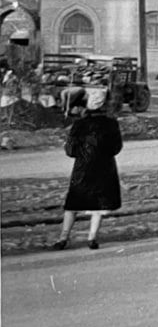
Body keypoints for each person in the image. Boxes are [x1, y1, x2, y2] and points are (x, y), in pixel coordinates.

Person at [49, 89, 123, 250]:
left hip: (82, 168)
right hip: (105, 168)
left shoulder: (79, 124)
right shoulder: (112, 124)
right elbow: (116, 147)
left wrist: (83, 154)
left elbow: (70, 150)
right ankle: (92, 238)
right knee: (98, 205)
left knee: (73, 204)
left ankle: (63, 237)